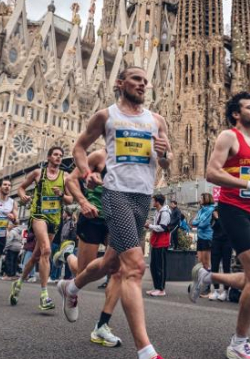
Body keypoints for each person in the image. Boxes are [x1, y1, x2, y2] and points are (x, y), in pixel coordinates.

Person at [55, 66, 171, 359]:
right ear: (121, 83)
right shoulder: (106, 116)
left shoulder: (157, 121)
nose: (142, 84)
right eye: (136, 79)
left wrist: (165, 154)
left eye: (145, 81)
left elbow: (166, 163)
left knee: (110, 263)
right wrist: (86, 173)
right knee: (134, 266)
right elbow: (79, 147)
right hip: (115, 194)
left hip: (142, 197)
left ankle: (71, 287)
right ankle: (146, 351)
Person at [187, 91, 250, 359]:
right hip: (232, 209)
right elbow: (211, 173)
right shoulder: (229, 136)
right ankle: (239, 343)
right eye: (249, 107)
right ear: (236, 114)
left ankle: (208, 277)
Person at [55, 147, 125, 347]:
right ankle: (68, 255)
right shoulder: (99, 156)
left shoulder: (132, 158)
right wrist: (83, 202)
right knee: (83, 272)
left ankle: (102, 325)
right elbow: (70, 180)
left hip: (115, 219)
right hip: (93, 217)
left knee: (118, 269)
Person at [13, 147, 72, 308]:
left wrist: (61, 194)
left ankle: (18, 283)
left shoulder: (65, 177)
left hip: (54, 218)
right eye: (56, 155)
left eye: (61, 155)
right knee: (46, 250)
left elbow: (70, 199)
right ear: (49, 157)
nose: (59, 157)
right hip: (38, 215)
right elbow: (20, 188)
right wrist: (23, 196)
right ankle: (44, 296)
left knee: (36, 256)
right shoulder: (38, 173)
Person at [146, 194, 172, 297]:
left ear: (157, 202)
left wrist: (150, 226)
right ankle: (156, 287)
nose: (152, 203)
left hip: (162, 242)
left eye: (154, 201)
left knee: (160, 266)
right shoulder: (158, 212)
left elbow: (162, 227)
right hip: (156, 241)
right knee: (153, 265)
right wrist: (150, 226)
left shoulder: (165, 213)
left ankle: (161, 289)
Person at [191, 193, 216, 293]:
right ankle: (201, 284)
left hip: (207, 237)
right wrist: (198, 222)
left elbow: (204, 224)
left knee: (206, 262)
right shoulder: (201, 210)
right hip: (200, 237)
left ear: (206, 199)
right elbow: (193, 222)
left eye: (201, 198)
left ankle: (207, 287)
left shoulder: (211, 209)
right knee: (200, 261)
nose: (199, 199)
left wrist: (198, 222)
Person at [208, 201, 233, 301]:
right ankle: (216, 290)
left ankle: (226, 291)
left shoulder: (230, 213)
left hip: (227, 242)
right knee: (214, 266)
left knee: (226, 266)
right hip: (216, 241)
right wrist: (216, 218)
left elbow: (226, 227)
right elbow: (213, 226)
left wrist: (218, 218)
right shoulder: (214, 212)